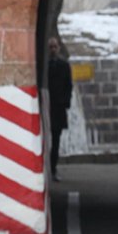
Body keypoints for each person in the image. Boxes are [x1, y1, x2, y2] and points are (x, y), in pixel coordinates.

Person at [47, 35, 73, 181]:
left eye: (54, 47)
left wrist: (65, 102)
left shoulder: (64, 65)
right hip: (47, 106)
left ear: (58, 48)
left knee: (56, 140)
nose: (53, 50)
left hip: (58, 107)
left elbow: (69, 86)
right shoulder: (44, 66)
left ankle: (53, 169)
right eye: (50, 47)